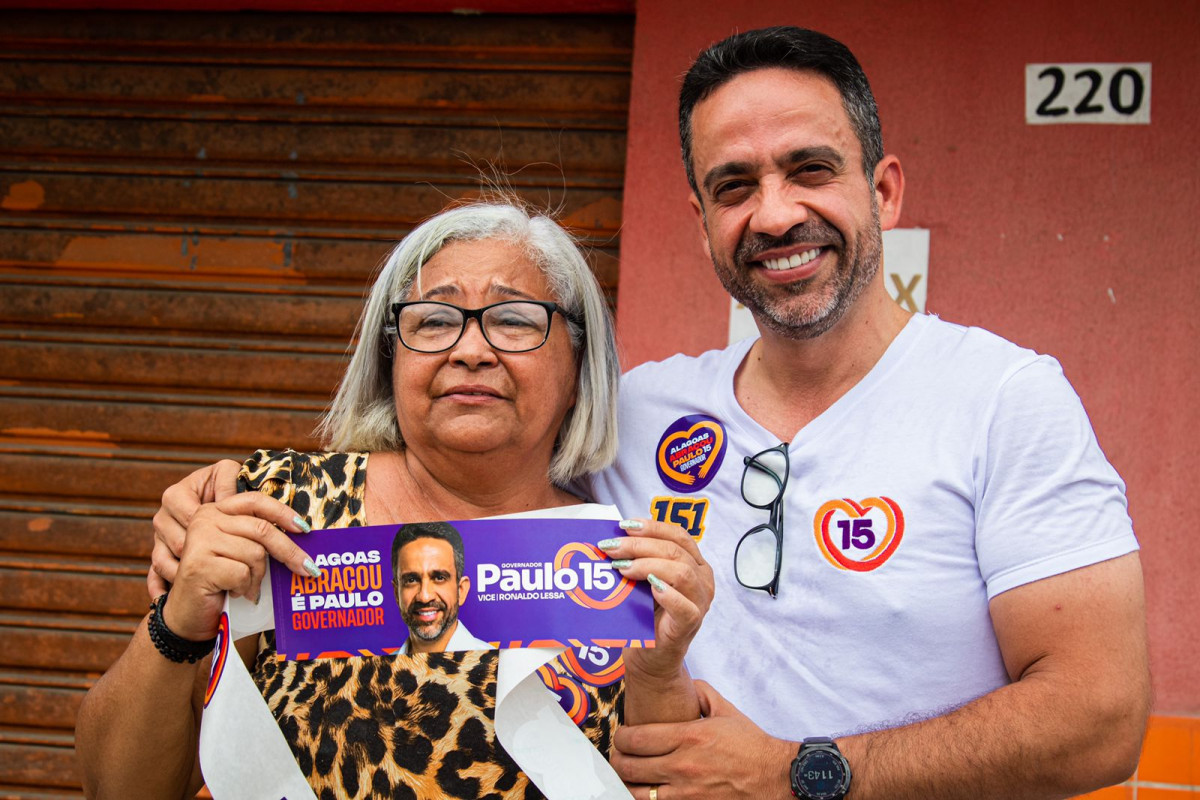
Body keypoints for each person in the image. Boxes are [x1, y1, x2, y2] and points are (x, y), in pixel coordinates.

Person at [146, 26, 1150, 799]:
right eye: (734, 186)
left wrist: (803, 771)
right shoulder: (632, 412)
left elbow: (1102, 719)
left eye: (810, 169)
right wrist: (207, 505)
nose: (775, 213)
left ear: (883, 190)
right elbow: (456, 446)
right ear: (703, 224)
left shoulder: (1003, 399)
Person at [75, 200, 714, 800]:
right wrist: (178, 623)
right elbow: (119, 788)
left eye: (514, 320)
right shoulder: (285, 509)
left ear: (578, 368)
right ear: (391, 361)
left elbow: (667, 784)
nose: (470, 350)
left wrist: (659, 672)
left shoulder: (613, 562)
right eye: (434, 321)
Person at [391, 521, 488, 654]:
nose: (424, 597)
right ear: (397, 593)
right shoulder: (377, 666)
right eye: (411, 580)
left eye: (439, 578)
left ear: (461, 590)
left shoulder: (502, 660)